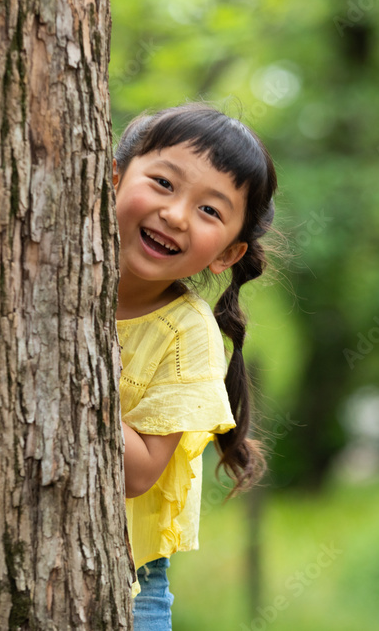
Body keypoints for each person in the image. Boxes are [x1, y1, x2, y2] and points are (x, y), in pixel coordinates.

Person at [113, 102, 278, 630]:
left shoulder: (186, 334)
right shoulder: (35, 271)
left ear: (227, 254)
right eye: (163, 183)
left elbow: (137, 472)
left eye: (210, 210)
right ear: (112, 179)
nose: (177, 215)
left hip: (126, 583)